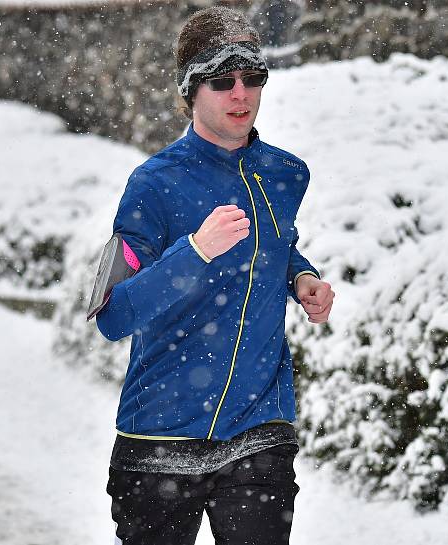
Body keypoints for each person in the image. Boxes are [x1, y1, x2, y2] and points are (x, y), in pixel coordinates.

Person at [94, 6, 335, 545]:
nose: (240, 95)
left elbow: (281, 246)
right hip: (158, 435)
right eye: (222, 82)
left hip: (259, 429)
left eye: (252, 79)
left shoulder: (285, 174)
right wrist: (195, 253)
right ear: (190, 91)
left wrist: (302, 280)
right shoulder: (152, 185)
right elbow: (112, 315)